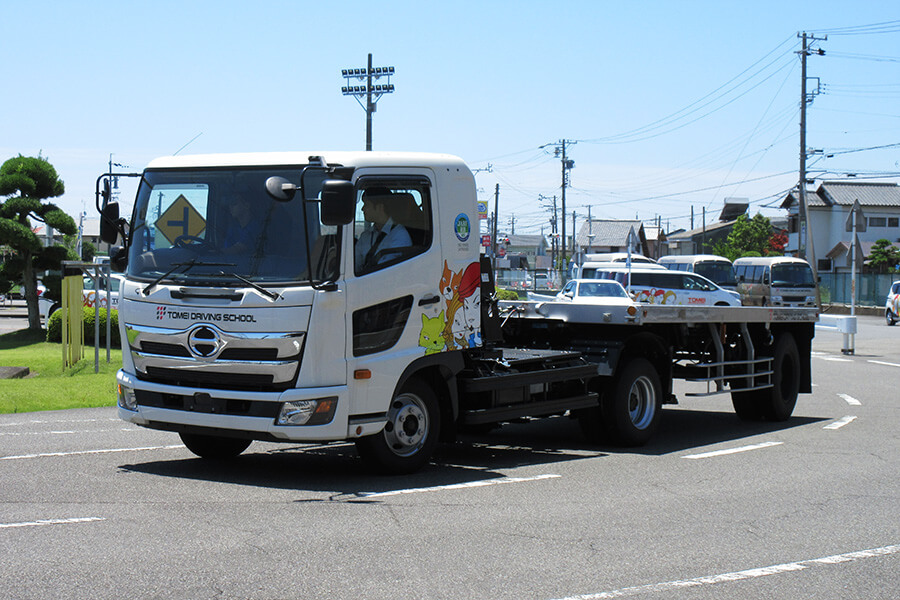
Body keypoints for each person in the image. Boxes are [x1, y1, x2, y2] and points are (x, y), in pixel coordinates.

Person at [355, 188, 413, 271]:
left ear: (379, 207)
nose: (362, 209)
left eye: (366, 204)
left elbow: (385, 270)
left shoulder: (400, 235)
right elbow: (355, 263)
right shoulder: (366, 236)